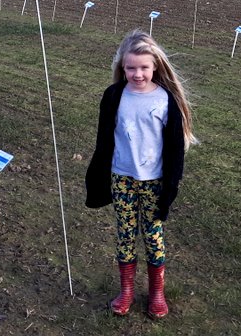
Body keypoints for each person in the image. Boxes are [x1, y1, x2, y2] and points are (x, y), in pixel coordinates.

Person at [85, 30, 197, 319]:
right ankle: (127, 292)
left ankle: (156, 293)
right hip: (121, 177)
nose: (138, 74)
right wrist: (97, 175)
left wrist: (171, 185)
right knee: (125, 234)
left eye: (144, 67)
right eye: (131, 68)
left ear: (156, 66)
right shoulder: (113, 96)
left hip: (154, 181)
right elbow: (104, 139)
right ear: (122, 67)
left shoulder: (165, 99)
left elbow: (175, 149)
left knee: (152, 235)